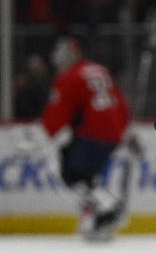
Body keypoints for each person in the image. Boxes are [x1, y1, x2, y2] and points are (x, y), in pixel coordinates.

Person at [39, 36, 132, 240]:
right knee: (86, 176)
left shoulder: (69, 76)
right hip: (112, 131)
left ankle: (109, 208)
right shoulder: (98, 69)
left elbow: (58, 111)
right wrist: (125, 128)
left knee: (73, 175)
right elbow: (120, 101)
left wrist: (47, 131)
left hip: (92, 132)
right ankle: (97, 214)